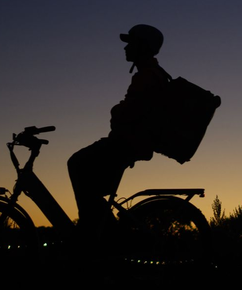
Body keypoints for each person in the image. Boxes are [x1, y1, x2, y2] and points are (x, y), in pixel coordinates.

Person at [68, 24, 170, 239]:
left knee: (77, 163)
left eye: (130, 44)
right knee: (88, 180)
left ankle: (97, 235)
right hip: (130, 142)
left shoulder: (147, 76)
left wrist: (116, 110)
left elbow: (129, 113)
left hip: (128, 143)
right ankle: (102, 233)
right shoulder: (151, 74)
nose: (125, 49)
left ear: (142, 46)